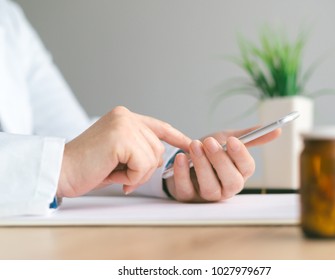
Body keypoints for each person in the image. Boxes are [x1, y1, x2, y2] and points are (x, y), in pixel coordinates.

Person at [0, 0, 280, 217]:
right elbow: (67, 161)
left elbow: (73, 141)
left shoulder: (8, 20)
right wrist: (63, 168)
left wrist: (177, 168)